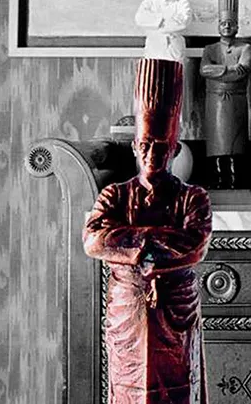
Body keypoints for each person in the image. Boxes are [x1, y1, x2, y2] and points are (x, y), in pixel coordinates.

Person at [83, 59, 212, 403]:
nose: (151, 153)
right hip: (128, 306)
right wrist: (153, 242)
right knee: (128, 385)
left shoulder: (192, 198)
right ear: (134, 147)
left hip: (176, 310)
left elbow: (194, 246)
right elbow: (95, 240)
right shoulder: (115, 194)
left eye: (159, 145)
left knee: (177, 386)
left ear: (173, 148)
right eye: (144, 145)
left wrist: (131, 238)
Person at [200, 0, 251, 188]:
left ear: (237, 26)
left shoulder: (244, 48)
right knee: (216, 143)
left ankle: (236, 182)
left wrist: (219, 71)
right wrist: (229, 69)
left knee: (237, 143)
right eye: (223, 23)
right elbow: (204, 69)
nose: (227, 26)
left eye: (230, 23)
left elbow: (243, 71)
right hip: (215, 102)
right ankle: (218, 181)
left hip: (237, 101)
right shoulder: (210, 49)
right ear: (218, 26)